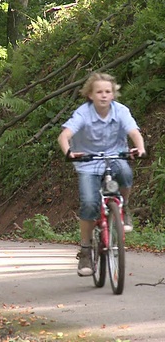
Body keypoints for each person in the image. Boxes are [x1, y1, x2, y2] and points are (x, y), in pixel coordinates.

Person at [57, 72, 146, 277]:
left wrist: (139, 148)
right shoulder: (83, 113)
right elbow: (65, 136)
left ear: (113, 94)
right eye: (99, 92)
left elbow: (134, 132)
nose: (104, 95)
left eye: (108, 91)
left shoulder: (121, 111)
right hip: (88, 163)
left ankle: (123, 208)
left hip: (115, 157)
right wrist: (69, 152)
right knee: (89, 203)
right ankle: (86, 250)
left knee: (125, 172)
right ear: (90, 95)